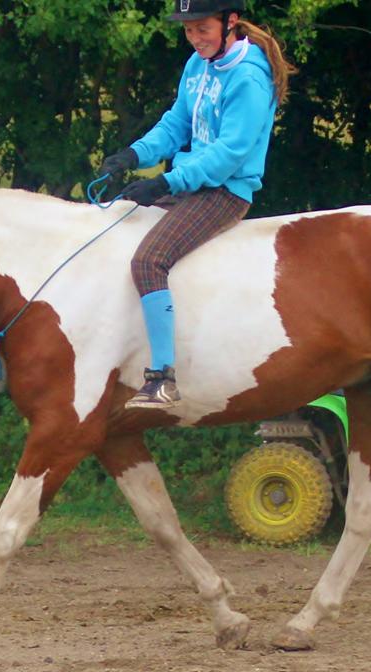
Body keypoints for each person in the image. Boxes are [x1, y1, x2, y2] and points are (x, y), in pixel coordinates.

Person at [97, 0, 296, 409]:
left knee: (148, 261)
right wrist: (134, 155)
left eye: (202, 28)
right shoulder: (197, 64)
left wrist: (166, 181)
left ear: (231, 22)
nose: (195, 38)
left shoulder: (249, 78)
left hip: (225, 191)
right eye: (188, 30)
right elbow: (176, 124)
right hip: (191, 182)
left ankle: (163, 378)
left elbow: (230, 154)